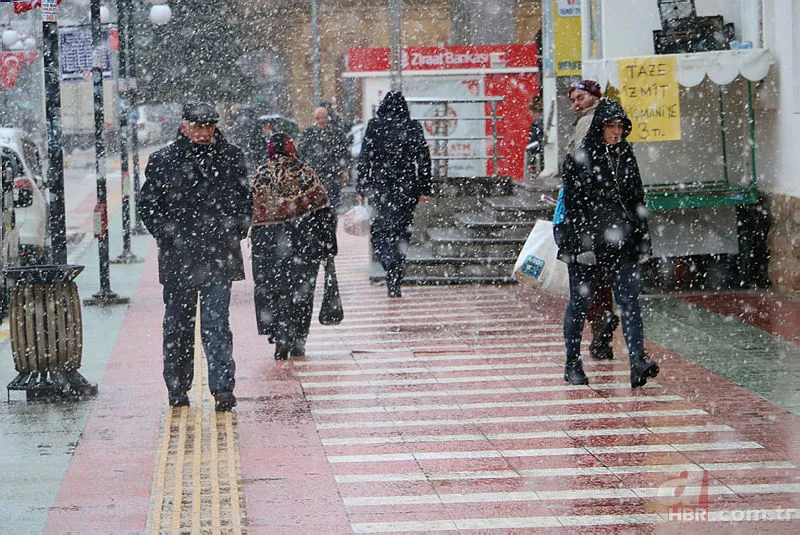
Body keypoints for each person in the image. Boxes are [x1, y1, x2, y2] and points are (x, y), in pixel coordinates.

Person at [138, 102, 252, 411]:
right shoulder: (163, 160)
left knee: (216, 324)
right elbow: (148, 204)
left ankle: (223, 387)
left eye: (209, 127)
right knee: (178, 325)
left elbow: (245, 200)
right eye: (198, 127)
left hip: (219, 254)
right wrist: (167, 234)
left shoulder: (231, 158)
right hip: (180, 256)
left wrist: (237, 229)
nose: (203, 134)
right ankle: (177, 386)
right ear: (184, 127)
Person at [558, 98, 659, 388]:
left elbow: (637, 200)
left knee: (629, 301)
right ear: (599, 127)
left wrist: (642, 241)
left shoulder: (626, 155)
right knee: (580, 302)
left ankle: (637, 361)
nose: (616, 133)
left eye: (620, 127)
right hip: (586, 244)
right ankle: (572, 361)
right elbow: (575, 207)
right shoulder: (579, 158)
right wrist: (583, 245)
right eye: (610, 126)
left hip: (622, 240)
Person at [250, 132, 337, 360]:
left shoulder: (262, 175)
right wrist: (328, 244)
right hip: (305, 244)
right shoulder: (304, 172)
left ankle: (280, 336)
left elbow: (252, 213)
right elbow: (323, 209)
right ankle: (299, 338)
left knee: (276, 291)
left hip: (270, 247)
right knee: (302, 293)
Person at [356, 91, 432, 298]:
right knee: (401, 232)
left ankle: (388, 262)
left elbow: (364, 159)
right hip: (407, 189)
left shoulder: (374, 126)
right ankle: (396, 271)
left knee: (378, 232)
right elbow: (424, 159)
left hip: (381, 189)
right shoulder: (413, 127)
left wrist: (362, 188)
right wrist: (424, 188)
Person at [565, 79, 619, 360]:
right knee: (602, 274)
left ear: (595, 97)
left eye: (580, 97)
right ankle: (603, 327)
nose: (576, 104)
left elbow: (580, 166)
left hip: (587, 214)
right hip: (606, 213)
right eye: (573, 99)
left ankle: (599, 320)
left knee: (585, 277)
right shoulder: (611, 121)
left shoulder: (589, 123)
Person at [298, 106, 351, 212]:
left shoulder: (337, 133)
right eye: (318, 118)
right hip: (315, 175)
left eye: (323, 117)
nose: (321, 121)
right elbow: (301, 153)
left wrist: (345, 170)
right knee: (316, 206)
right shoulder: (308, 134)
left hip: (333, 174)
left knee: (333, 204)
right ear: (315, 119)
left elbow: (344, 153)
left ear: (328, 118)